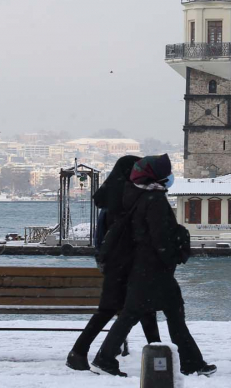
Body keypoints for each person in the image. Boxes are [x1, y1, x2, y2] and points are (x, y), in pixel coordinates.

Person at [91, 154, 216, 378]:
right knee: (146, 314)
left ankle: (192, 361)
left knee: (166, 313)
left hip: (144, 266)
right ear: (155, 175)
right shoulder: (155, 199)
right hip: (154, 268)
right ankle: (105, 358)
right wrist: (173, 255)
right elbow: (160, 237)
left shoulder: (137, 195)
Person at [66, 155, 161, 371]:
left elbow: (101, 237)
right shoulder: (129, 198)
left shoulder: (109, 198)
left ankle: (80, 352)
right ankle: (157, 357)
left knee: (116, 310)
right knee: (142, 310)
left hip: (115, 265)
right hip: (129, 265)